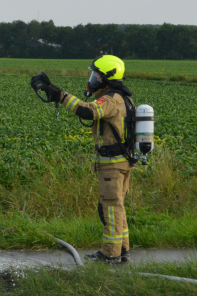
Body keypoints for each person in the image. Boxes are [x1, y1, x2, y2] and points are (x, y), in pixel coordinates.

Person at [37, 55, 134, 264]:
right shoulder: (121, 97)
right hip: (120, 162)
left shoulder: (111, 99)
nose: (93, 79)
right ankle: (122, 250)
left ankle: (110, 254)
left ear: (107, 78)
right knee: (117, 206)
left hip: (112, 164)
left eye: (96, 76)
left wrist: (61, 96)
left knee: (110, 207)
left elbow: (88, 111)